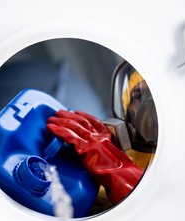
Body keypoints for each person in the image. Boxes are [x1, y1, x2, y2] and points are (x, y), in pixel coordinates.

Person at [47, 62, 158, 208]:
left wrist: (118, 169)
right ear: (126, 110)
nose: (148, 104)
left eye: (155, 93)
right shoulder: (101, 176)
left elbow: (164, 211)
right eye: (138, 96)